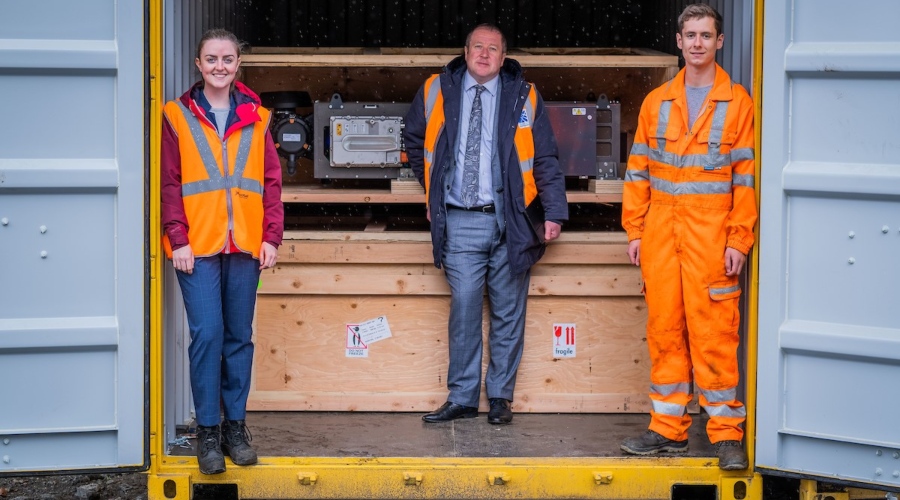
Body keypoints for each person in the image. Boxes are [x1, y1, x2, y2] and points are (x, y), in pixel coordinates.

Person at [404, 24, 568, 425]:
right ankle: (461, 397)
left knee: (508, 311)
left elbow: (544, 156)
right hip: (460, 218)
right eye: (477, 46)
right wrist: (434, 190)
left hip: (511, 218)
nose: (483, 54)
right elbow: (412, 139)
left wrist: (554, 211)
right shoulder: (435, 90)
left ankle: (500, 397)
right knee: (464, 308)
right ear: (465, 50)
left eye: (492, 49)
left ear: (503, 56)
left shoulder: (524, 95)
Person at [619, 4, 757, 470]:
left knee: (715, 334)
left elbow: (745, 180)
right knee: (665, 333)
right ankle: (667, 430)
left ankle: (725, 435)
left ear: (719, 42)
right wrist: (635, 230)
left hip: (711, 237)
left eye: (706, 35)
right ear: (678, 42)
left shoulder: (738, 103)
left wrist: (739, 240)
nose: (697, 43)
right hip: (660, 234)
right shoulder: (656, 102)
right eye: (690, 35)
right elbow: (637, 172)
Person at [161, 29, 283, 475]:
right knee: (208, 335)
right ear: (198, 64)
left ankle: (235, 427)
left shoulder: (259, 117)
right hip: (197, 245)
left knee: (238, 338)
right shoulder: (176, 116)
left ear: (237, 64)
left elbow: (271, 181)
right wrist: (177, 239)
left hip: (246, 243)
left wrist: (271, 236)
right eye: (211, 59)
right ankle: (207, 433)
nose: (219, 66)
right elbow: (169, 183)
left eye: (227, 59)